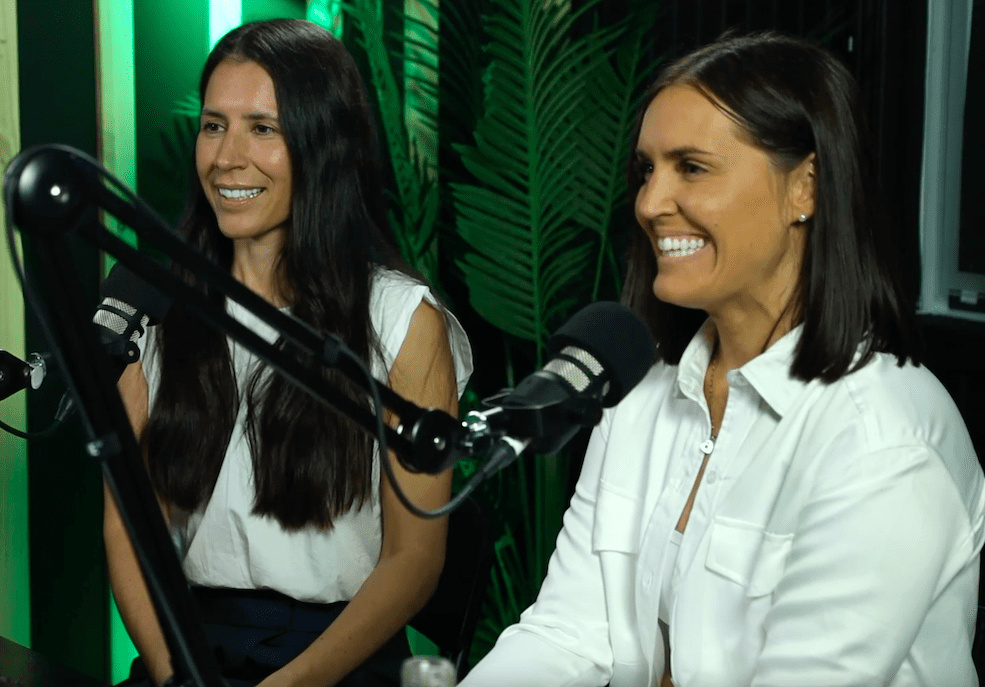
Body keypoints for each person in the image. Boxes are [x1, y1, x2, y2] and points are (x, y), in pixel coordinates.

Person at [461, 31, 985, 687]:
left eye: (692, 167)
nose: (649, 203)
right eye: (646, 170)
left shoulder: (883, 440)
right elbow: (567, 632)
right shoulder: (639, 392)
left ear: (806, 188)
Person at [103, 19, 472, 687]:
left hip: (339, 657)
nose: (226, 156)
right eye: (213, 125)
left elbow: (414, 559)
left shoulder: (398, 320)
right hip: (188, 651)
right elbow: (131, 526)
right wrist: (171, 671)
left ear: (322, 145)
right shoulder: (154, 308)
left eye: (262, 128)